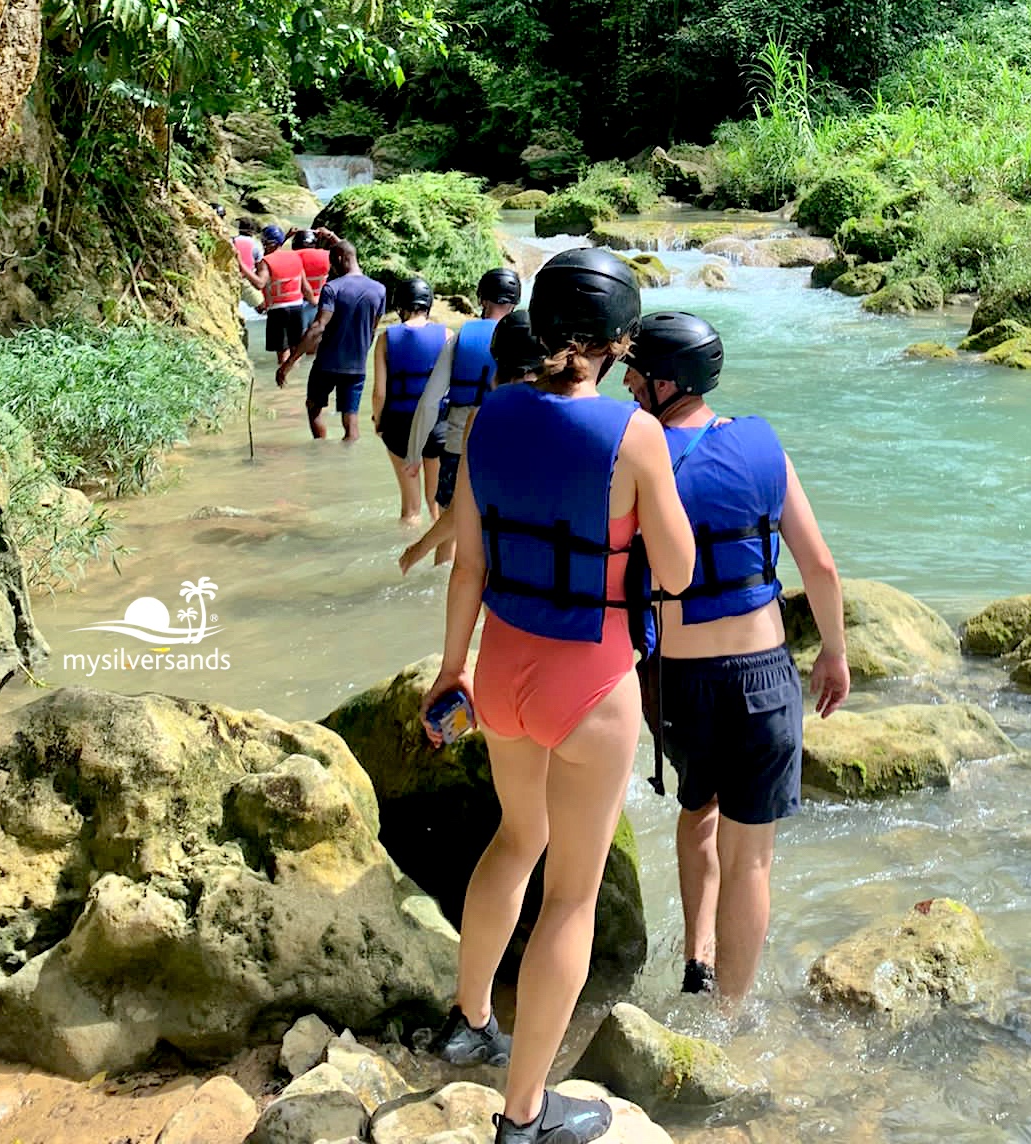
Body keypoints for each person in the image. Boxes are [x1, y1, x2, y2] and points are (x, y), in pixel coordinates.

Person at [418, 248, 695, 1144]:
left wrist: (450, 667)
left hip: (499, 670)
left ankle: (469, 1024)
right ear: (622, 339)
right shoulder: (635, 434)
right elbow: (682, 573)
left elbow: (469, 562)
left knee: (515, 838)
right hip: (593, 684)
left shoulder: (492, 412)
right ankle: (526, 1115)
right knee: (572, 897)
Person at [624, 311, 850, 1002]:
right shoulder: (762, 448)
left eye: (636, 370)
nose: (626, 379)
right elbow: (820, 567)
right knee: (751, 859)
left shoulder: (633, 459)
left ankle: (698, 956)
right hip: (762, 680)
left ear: (668, 381)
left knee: (698, 807)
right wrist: (834, 654)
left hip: (678, 682)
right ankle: (732, 1013)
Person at [398, 309, 546, 574]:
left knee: (457, 548)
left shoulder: (486, 419)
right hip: (541, 564)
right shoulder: (566, 416)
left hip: (457, 446)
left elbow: (430, 402)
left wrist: (416, 550)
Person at [277, 240, 387, 440]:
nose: (331, 268)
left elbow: (318, 327)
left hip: (326, 364)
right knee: (351, 420)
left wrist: (289, 363)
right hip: (356, 366)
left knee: (314, 408)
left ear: (339, 258)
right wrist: (360, 353)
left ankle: (321, 450)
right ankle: (347, 460)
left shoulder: (332, 288)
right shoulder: (379, 290)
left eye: (331, 262)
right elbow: (372, 329)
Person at [373, 277, 448, 523]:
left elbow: (380, 393)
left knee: (410, 508)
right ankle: (440, 559)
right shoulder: (447, 335)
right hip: (436, 425)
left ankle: (408, 556)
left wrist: (378, 421)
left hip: (399, 426)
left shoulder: (386, 338)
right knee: (437, 504)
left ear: (400, 306)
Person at [239, 223, 309, 370]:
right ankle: (296, 378)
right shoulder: (295, 257)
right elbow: (304, 285)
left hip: (278, 311)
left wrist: (242, 266)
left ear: (266, 243)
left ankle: (284, 384)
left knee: (283, 352)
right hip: (297, 306)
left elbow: (259, 283)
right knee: (295, 349)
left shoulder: (266, 261)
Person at [293, 229, 332, 332]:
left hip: (298, 304)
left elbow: (272, 258)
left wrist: (285, 237)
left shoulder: (293, 256)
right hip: (320, 303)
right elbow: (346, 251)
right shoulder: (327, 255)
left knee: (296, 344)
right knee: (316, 341)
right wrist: (330, 235)